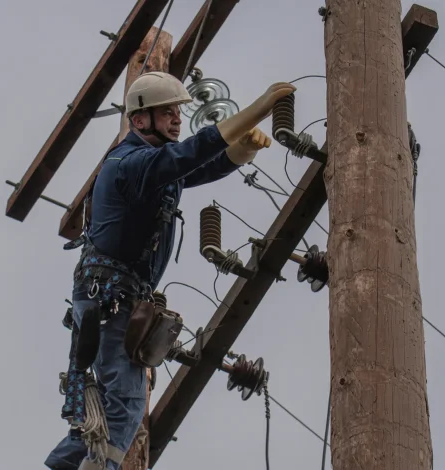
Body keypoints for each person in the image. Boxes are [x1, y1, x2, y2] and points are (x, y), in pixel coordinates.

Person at [45, 72, 296, 469]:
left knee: (99, 414)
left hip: (109, 297)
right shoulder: (128, 164)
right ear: (140, 119)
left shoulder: (150, 167)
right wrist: (253, 112)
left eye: (179, 111)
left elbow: (191, 171)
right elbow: (185, 158)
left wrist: (238, 154)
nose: (178, 119)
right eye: (167, 112)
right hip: (111, 298)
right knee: (125, 405)